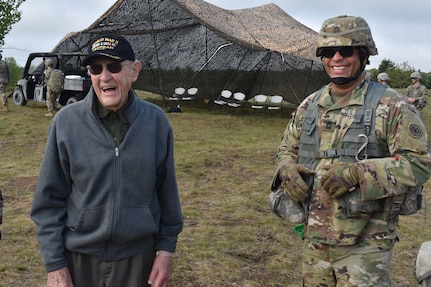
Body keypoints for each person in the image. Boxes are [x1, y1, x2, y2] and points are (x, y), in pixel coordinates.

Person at [269, 15, 431, 286]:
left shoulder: (393, 106)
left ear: (364, 55)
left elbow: (418, 163)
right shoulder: (310, 105)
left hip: (366, 243)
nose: (336, 58)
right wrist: (286, 169)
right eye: (328, 52)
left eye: (345, 50)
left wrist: (359, 173)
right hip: (315, 238)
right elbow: (287, 147)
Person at [30, 34, 183, 287]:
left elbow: (167, 194)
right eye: (95, 68)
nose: (104, 77)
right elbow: (48, 201)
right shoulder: (66, 123)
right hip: (79, 258)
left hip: (137, 259)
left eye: (113, 67)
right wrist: (55, 264)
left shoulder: (156, 123)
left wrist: (166, 251)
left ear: (134, 71)